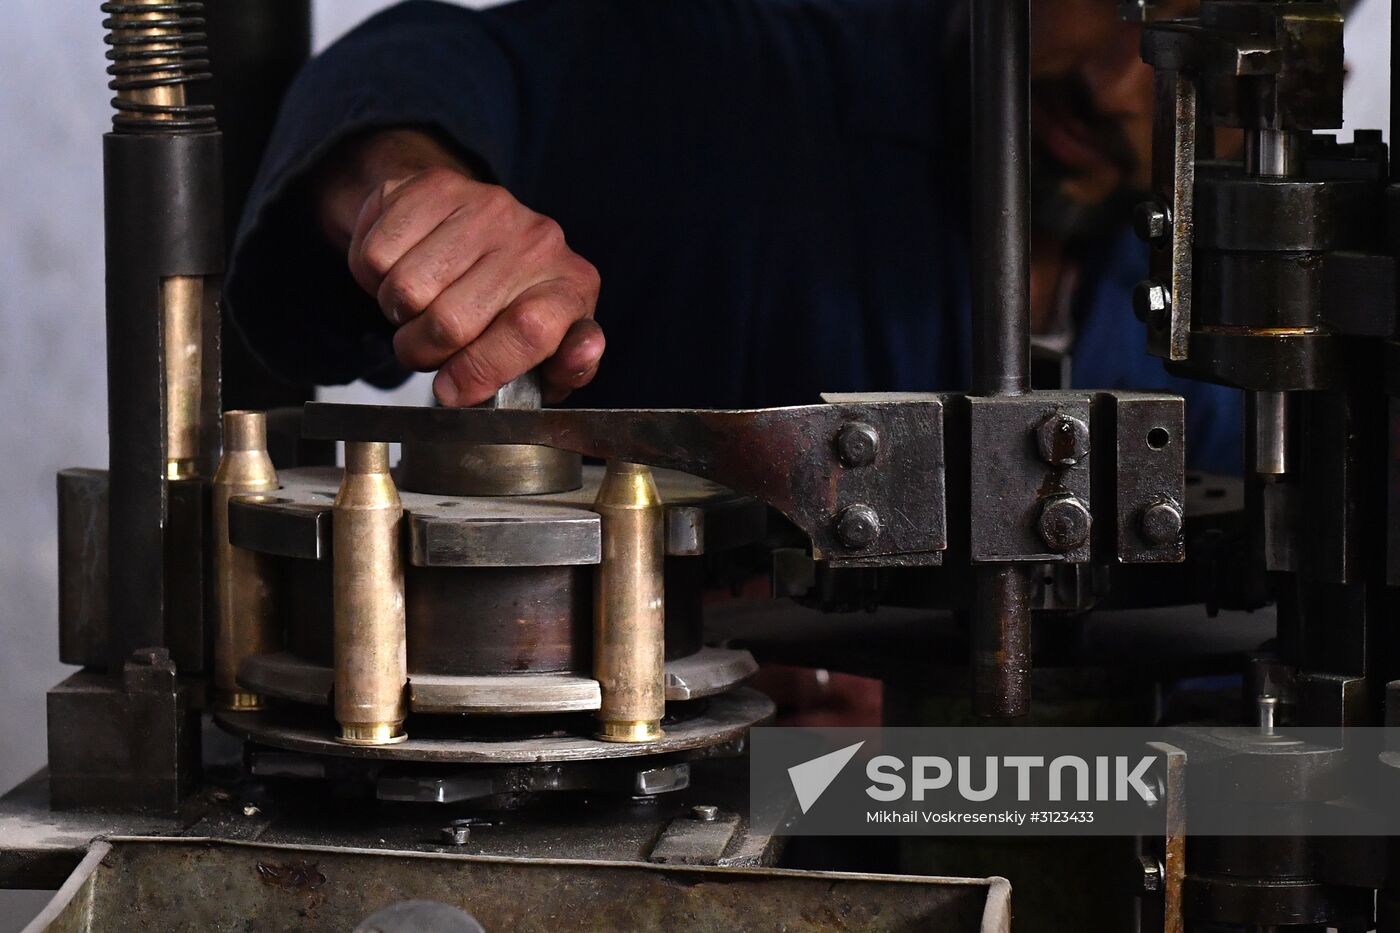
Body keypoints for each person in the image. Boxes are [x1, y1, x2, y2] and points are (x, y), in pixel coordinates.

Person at [227, 0, 1241, 473]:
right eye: (1116, 2)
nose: (1113, 82)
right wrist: (408, 188)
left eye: (1179, 56)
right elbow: (440, 60)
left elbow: (1280, 760)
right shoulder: (742, 82)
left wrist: (920, 754)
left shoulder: (1228, 331)